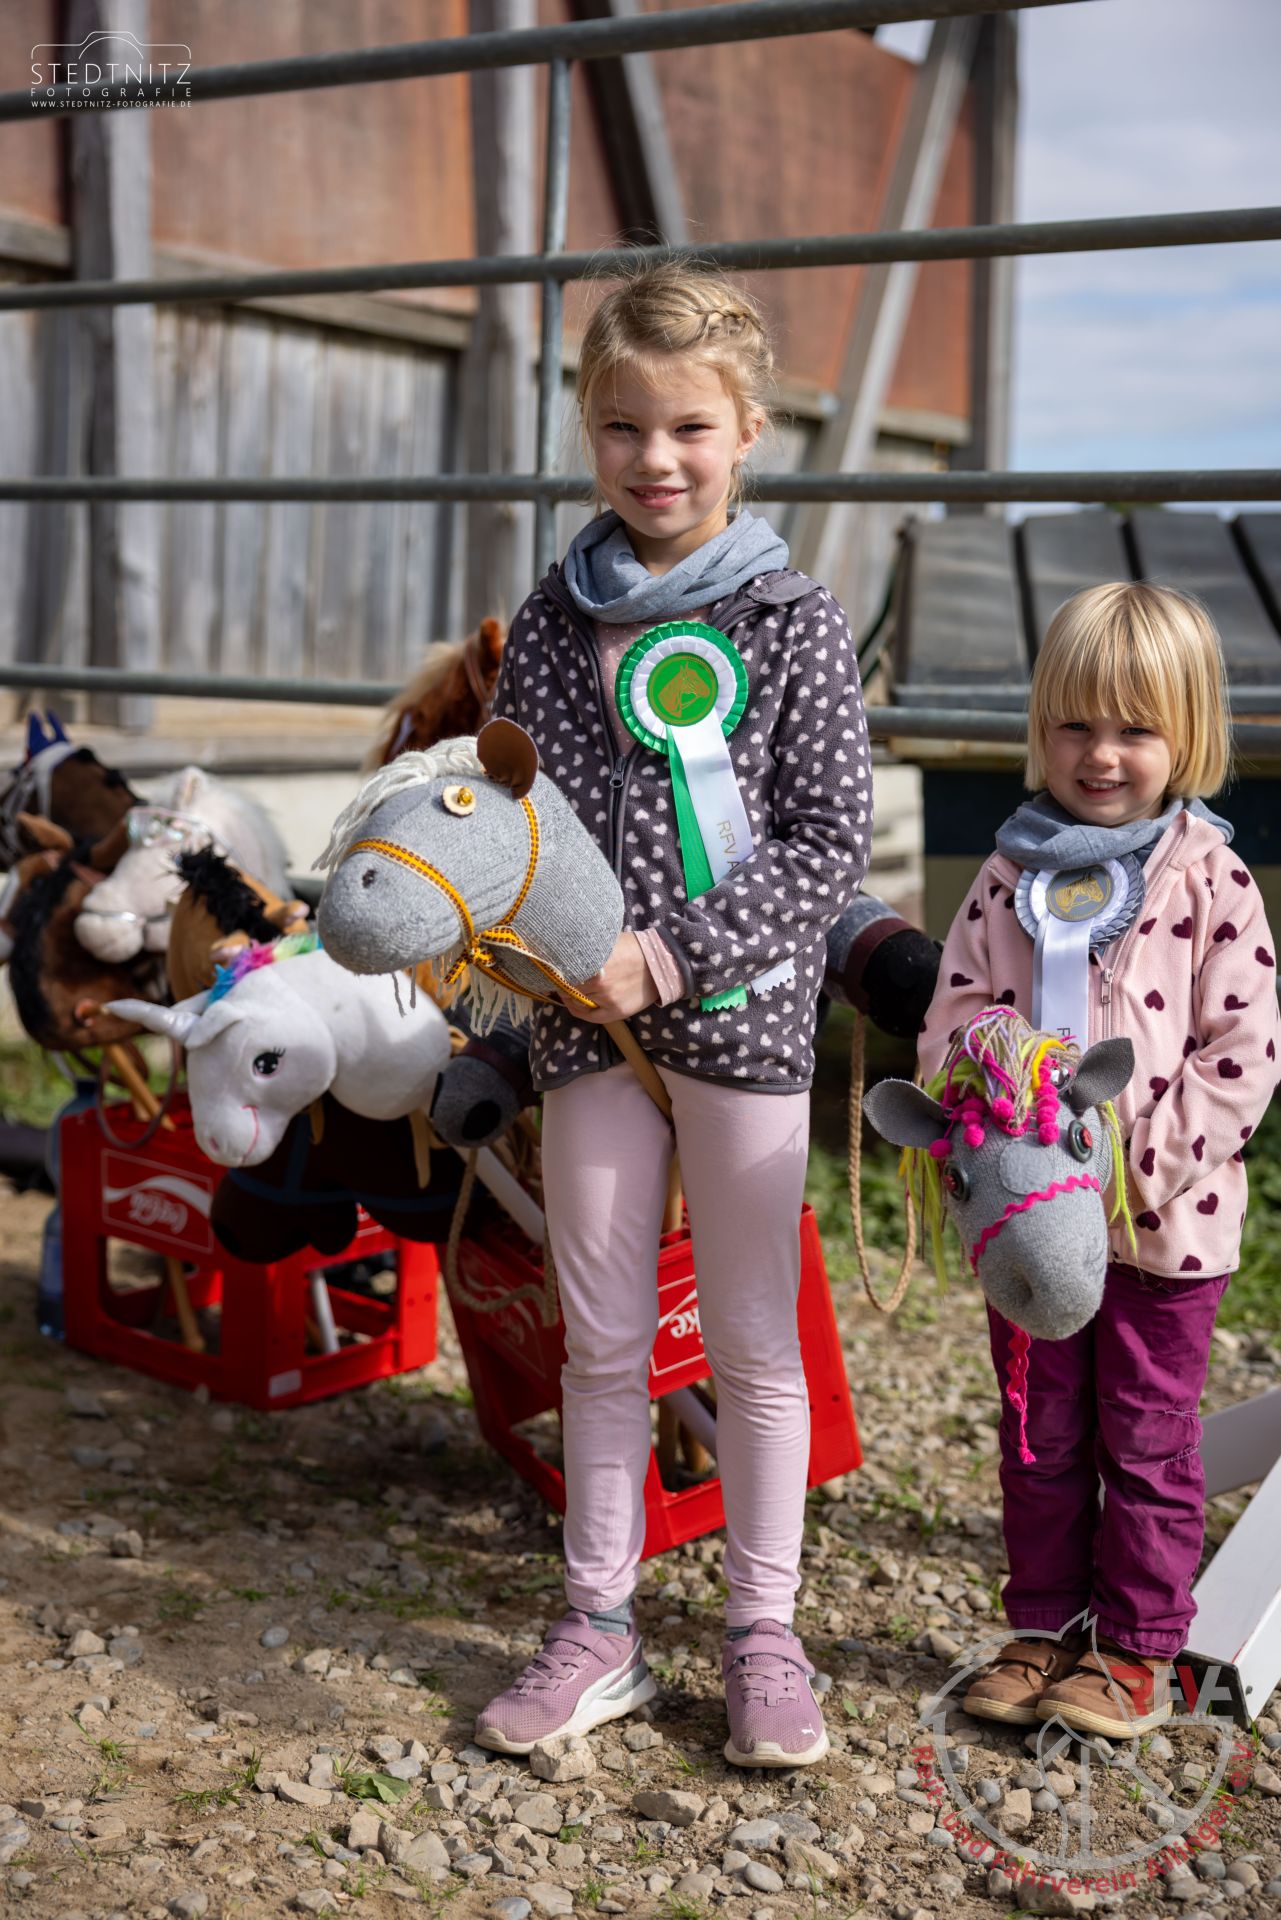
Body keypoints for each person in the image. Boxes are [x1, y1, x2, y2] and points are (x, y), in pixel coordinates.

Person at [473, 262, 871, 1767]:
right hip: (585, 1035)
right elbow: (521, 813)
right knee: (601, 1337)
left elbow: (825, 842)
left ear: (748, 431)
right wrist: (528, 956)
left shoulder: (794, 622)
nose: (657, 459)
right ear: (588, 429)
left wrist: (672, 953)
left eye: (691, 427)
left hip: (742, 1027)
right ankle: (598, 1624)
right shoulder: (548, 619)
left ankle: (764, 1632)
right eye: (624, 427)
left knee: (754, 1346)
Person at [919, 583, 1280, 1739]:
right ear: (1042, 729)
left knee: (1149, 1437)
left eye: (1135, 728)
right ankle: (1043, 1626)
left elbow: (1243, 1053)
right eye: (1075, 725)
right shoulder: (1004, 877)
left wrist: (1138, 1172)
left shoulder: (1211, 881)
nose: (1102, 754)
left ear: (1190, 734)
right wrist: (1001, 1123)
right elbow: (950, 1023)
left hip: (1162, 1232)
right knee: (1041, 1435)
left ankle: (1135, 1646)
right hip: (1032, 1234)